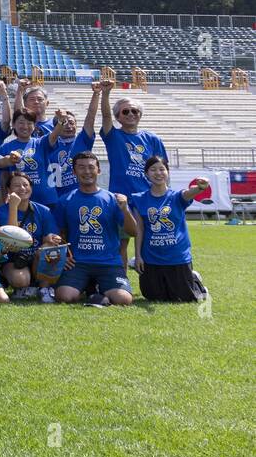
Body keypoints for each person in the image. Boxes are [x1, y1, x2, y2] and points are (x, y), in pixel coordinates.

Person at [100, 82, 166, 266]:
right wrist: (105, 94)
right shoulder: (113, 136)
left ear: (141, 115)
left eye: (134, 111)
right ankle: (121, 280)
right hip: (122, 199)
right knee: (121, 243)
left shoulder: (153, 139)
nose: (130, 114)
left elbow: (163, 169)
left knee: (152, 240)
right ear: (118, 117)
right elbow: (105, 116)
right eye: (125, 111)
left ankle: (152, 273)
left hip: (147, 198)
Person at [55, 152, 133, 306]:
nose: (87, 171)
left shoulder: (113, 199)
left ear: (99, 170)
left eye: (91, 167)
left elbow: (133, 232)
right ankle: (91, 286)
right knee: (64, 296)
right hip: (79, 263)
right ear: (74, 172)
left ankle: (96, 286)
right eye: (81, 167)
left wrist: (125, 210)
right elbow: (60, 233)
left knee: (124, 299)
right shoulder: (66, 200)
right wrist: (64, 255)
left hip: (108, 262)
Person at [128, 156, 209, 302]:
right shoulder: (139, 199)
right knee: (152, 296)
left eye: (162, 169)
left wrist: (200, 187)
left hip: (176, 256)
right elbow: (139, 229)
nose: (158, 173)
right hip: (151, 256)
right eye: (153, 170)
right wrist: (138, 256)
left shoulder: (177, 196)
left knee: (184, 298)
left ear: (168, 172)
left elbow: (189, 193)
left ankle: (194, 281)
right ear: (146, 174)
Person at [0, 171, 63, 303]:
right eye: (16, 185)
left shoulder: (43, 210)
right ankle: (23, 287)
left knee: (50, 248)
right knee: (20, 280)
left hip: (36, 257)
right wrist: (13, 206)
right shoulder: (2, 210)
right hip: (14, 258)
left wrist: (50, 238)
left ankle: (44, 289)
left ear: (31, 188)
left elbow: (51, 235)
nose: (22, 188)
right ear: (9, 190)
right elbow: (12, 239)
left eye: (25, 185)